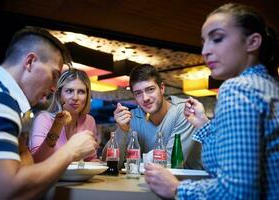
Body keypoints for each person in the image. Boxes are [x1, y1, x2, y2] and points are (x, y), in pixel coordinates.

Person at [145, 3, 279, 199]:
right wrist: (203, 125)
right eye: (204, 42)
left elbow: (237, 192)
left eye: (217, 38)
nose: (205, 51)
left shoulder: (238, 89)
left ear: (252, 42)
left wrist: (176, 188)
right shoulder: (268, 85)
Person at [0, 26, 97, 200]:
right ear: (30, 62)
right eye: (54, 75)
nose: (53, 87)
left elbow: (26, 164)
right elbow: (3, 194)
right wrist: (71, 151)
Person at [104, 64, 202, 169]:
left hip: (190, 182)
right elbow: (109, 163)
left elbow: (171, 163)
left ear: (162, 88)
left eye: (150, 89)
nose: (145, 98)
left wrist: (132, 162)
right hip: (145, 182)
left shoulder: (184, 111)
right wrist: (122, 130)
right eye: (138, 93)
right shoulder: (132, 117)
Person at [29, 68, 99, 162]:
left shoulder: (89, 121)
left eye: (81, 92)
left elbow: (90, 159)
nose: (75, 97)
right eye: (69, 91)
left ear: (87, 95)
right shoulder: (44, 119)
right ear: (59, 95)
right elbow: (37, 160)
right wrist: (57, 126)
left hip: (80, 177)